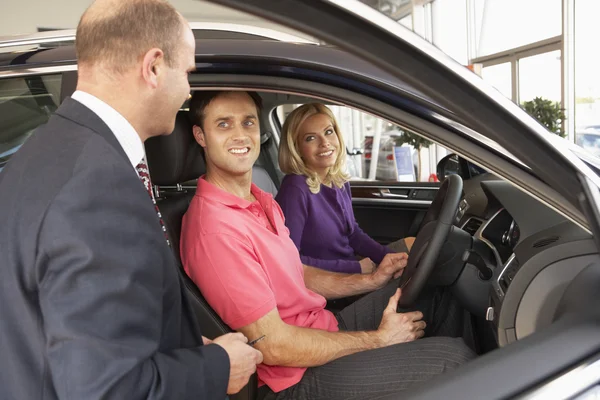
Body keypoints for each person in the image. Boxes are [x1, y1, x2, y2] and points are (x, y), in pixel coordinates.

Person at [0, 1, 262, 399]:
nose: (189, 90)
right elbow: (109, 389)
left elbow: (82, 334)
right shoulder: (96, 188)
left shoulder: (52, 149)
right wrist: (217, 367)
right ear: (154, 66)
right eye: (187, 72)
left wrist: (183, 347)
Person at [181, 90, 475, 400]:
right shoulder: (215, 229)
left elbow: (297, 272)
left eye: (248, 122)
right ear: (200, 135)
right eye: (224, 125)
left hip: (321, 326)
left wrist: (369, 280)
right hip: (291, 378)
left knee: (436, 286)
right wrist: (379, 340)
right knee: (453, 361)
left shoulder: (260, 200)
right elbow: (274, 345)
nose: (240, 135)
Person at [276, 103, 415, 274]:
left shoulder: (338, 181)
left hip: (352, 269)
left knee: (416, 246)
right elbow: (290, 260)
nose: (325, 143)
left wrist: (388, 257)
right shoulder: (295, 188)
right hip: (329, 287)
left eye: (328, 132)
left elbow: (353, 234)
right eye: (310, 138)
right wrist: (356, 268)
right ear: (296, 148)